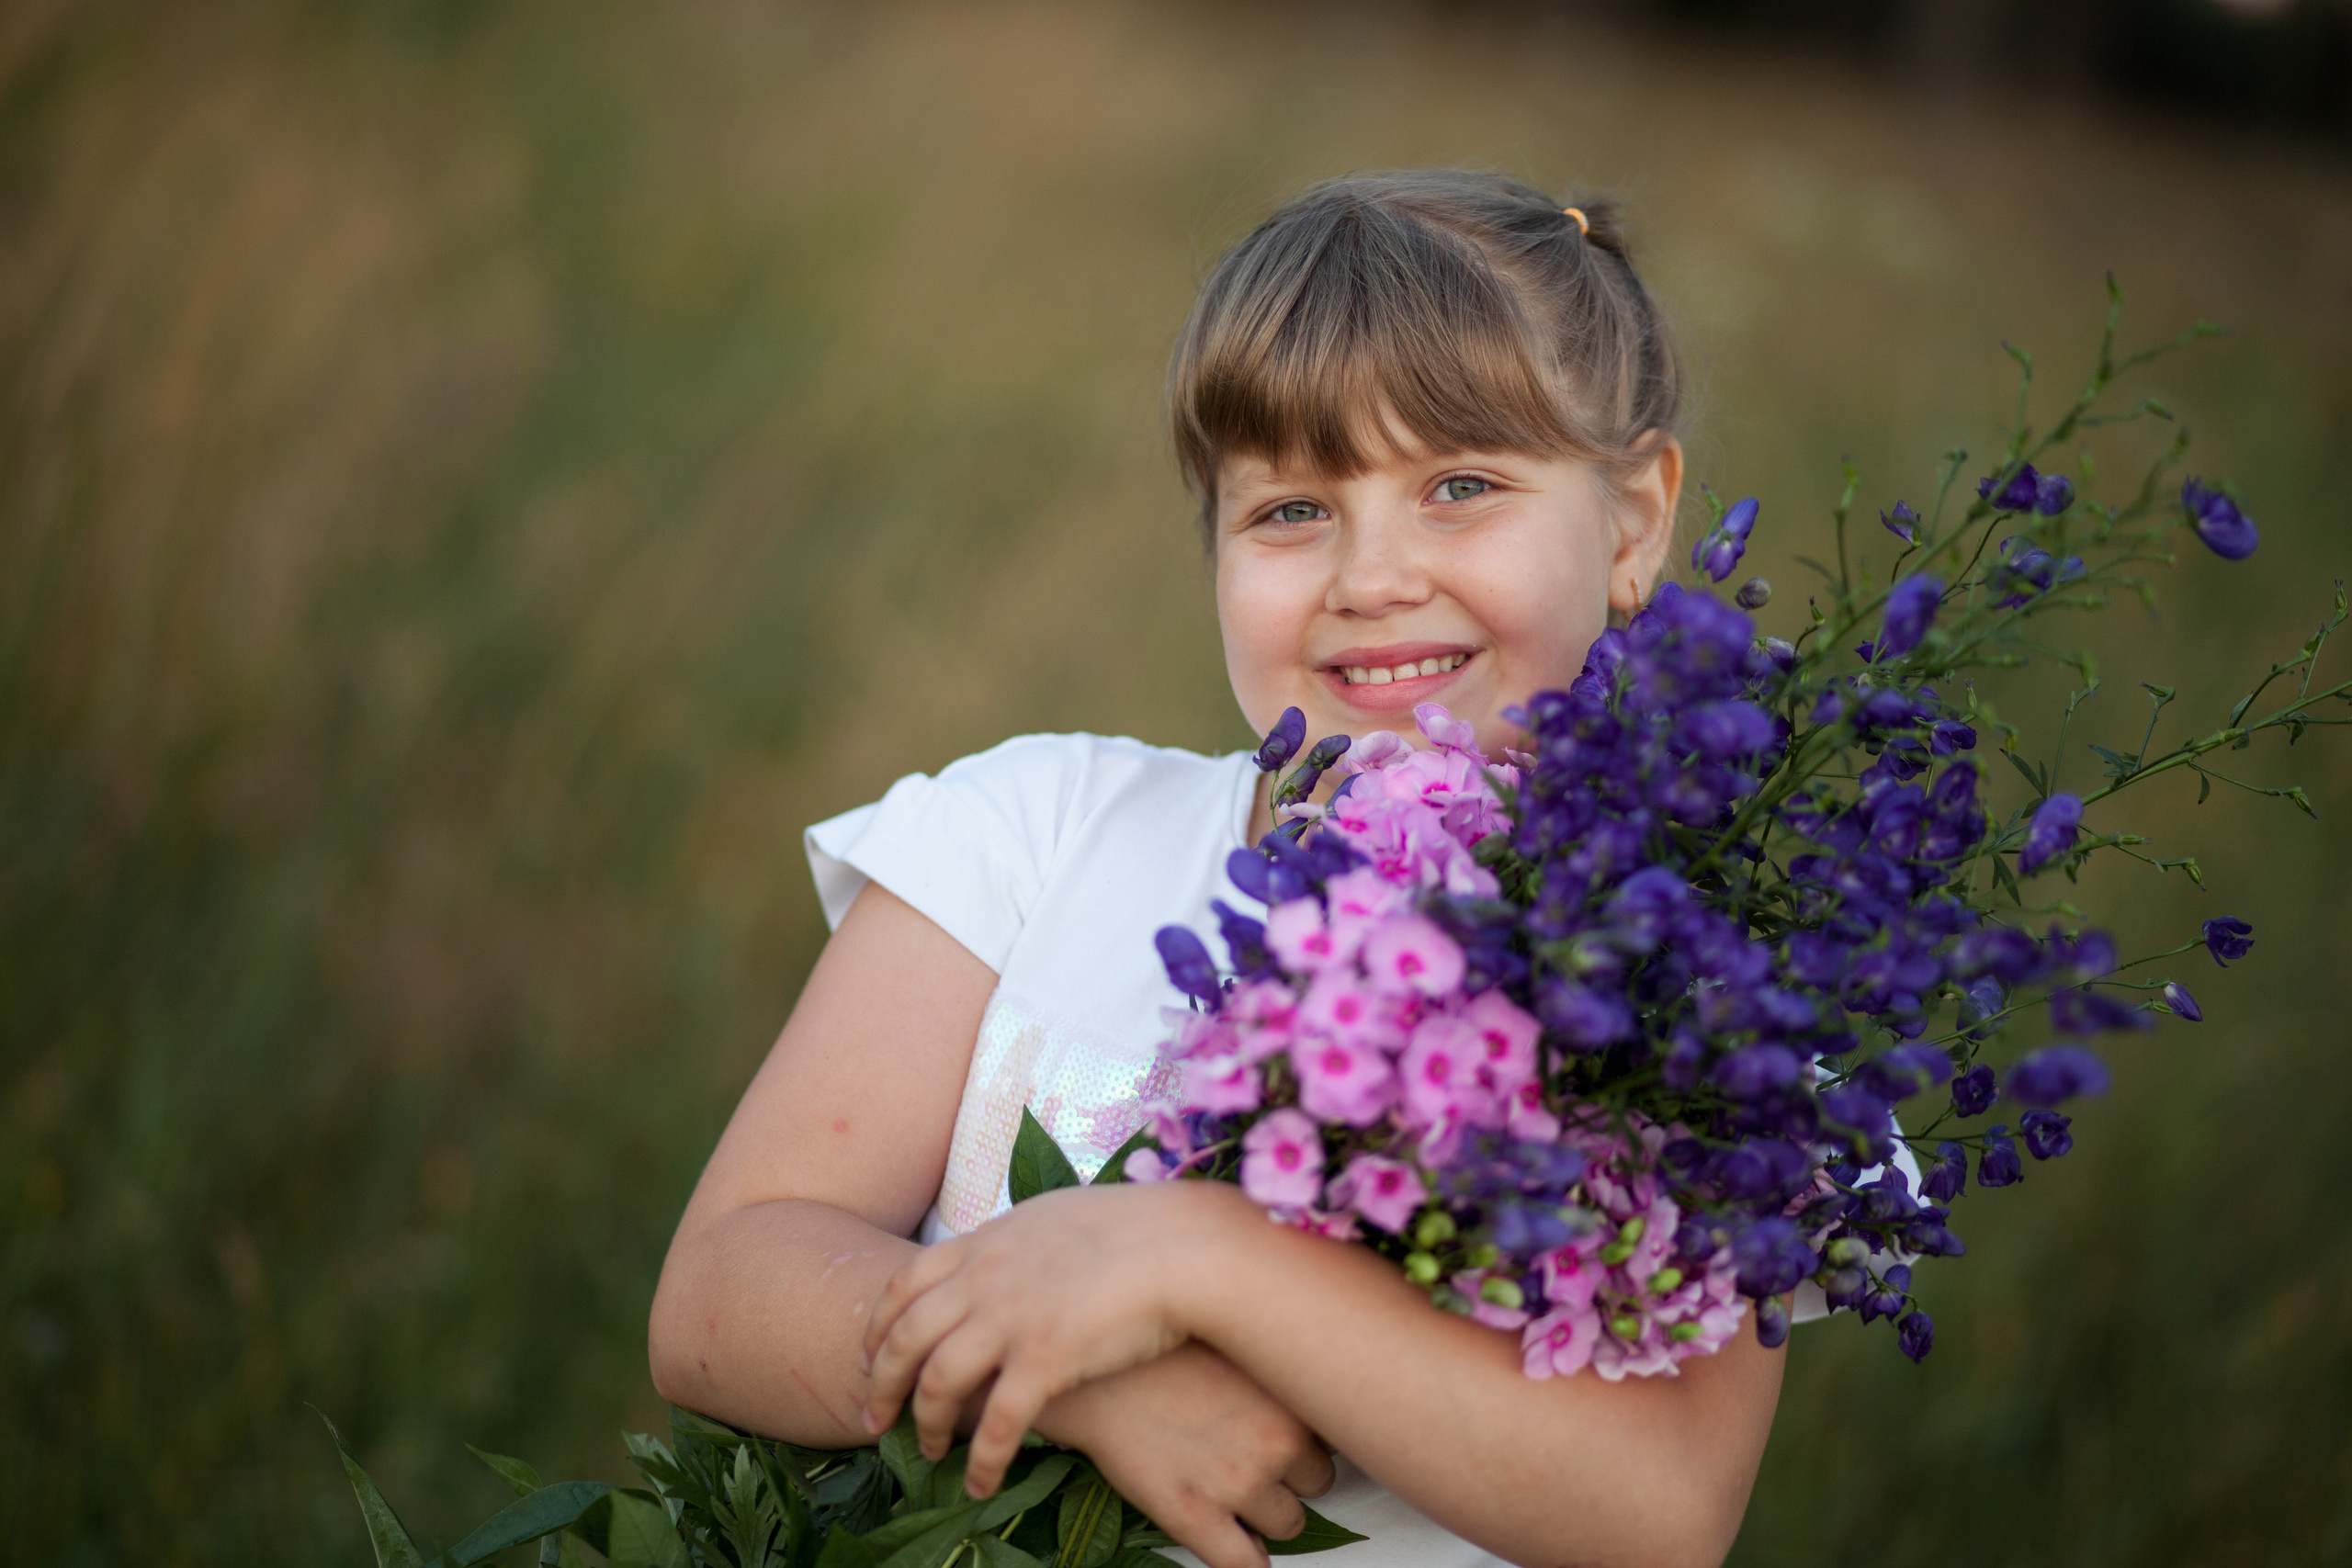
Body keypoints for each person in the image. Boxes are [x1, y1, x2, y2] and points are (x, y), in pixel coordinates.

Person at [650, 170, 1786, 1568]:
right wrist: (1076, 1378)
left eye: (1462, 487)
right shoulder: (1035, 829)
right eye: (1290, 512)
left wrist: (1198, 1260)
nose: (1371, 576)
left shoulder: (1710, 970)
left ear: (1634, 522)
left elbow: (1660, 1516)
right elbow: (717, 1295)